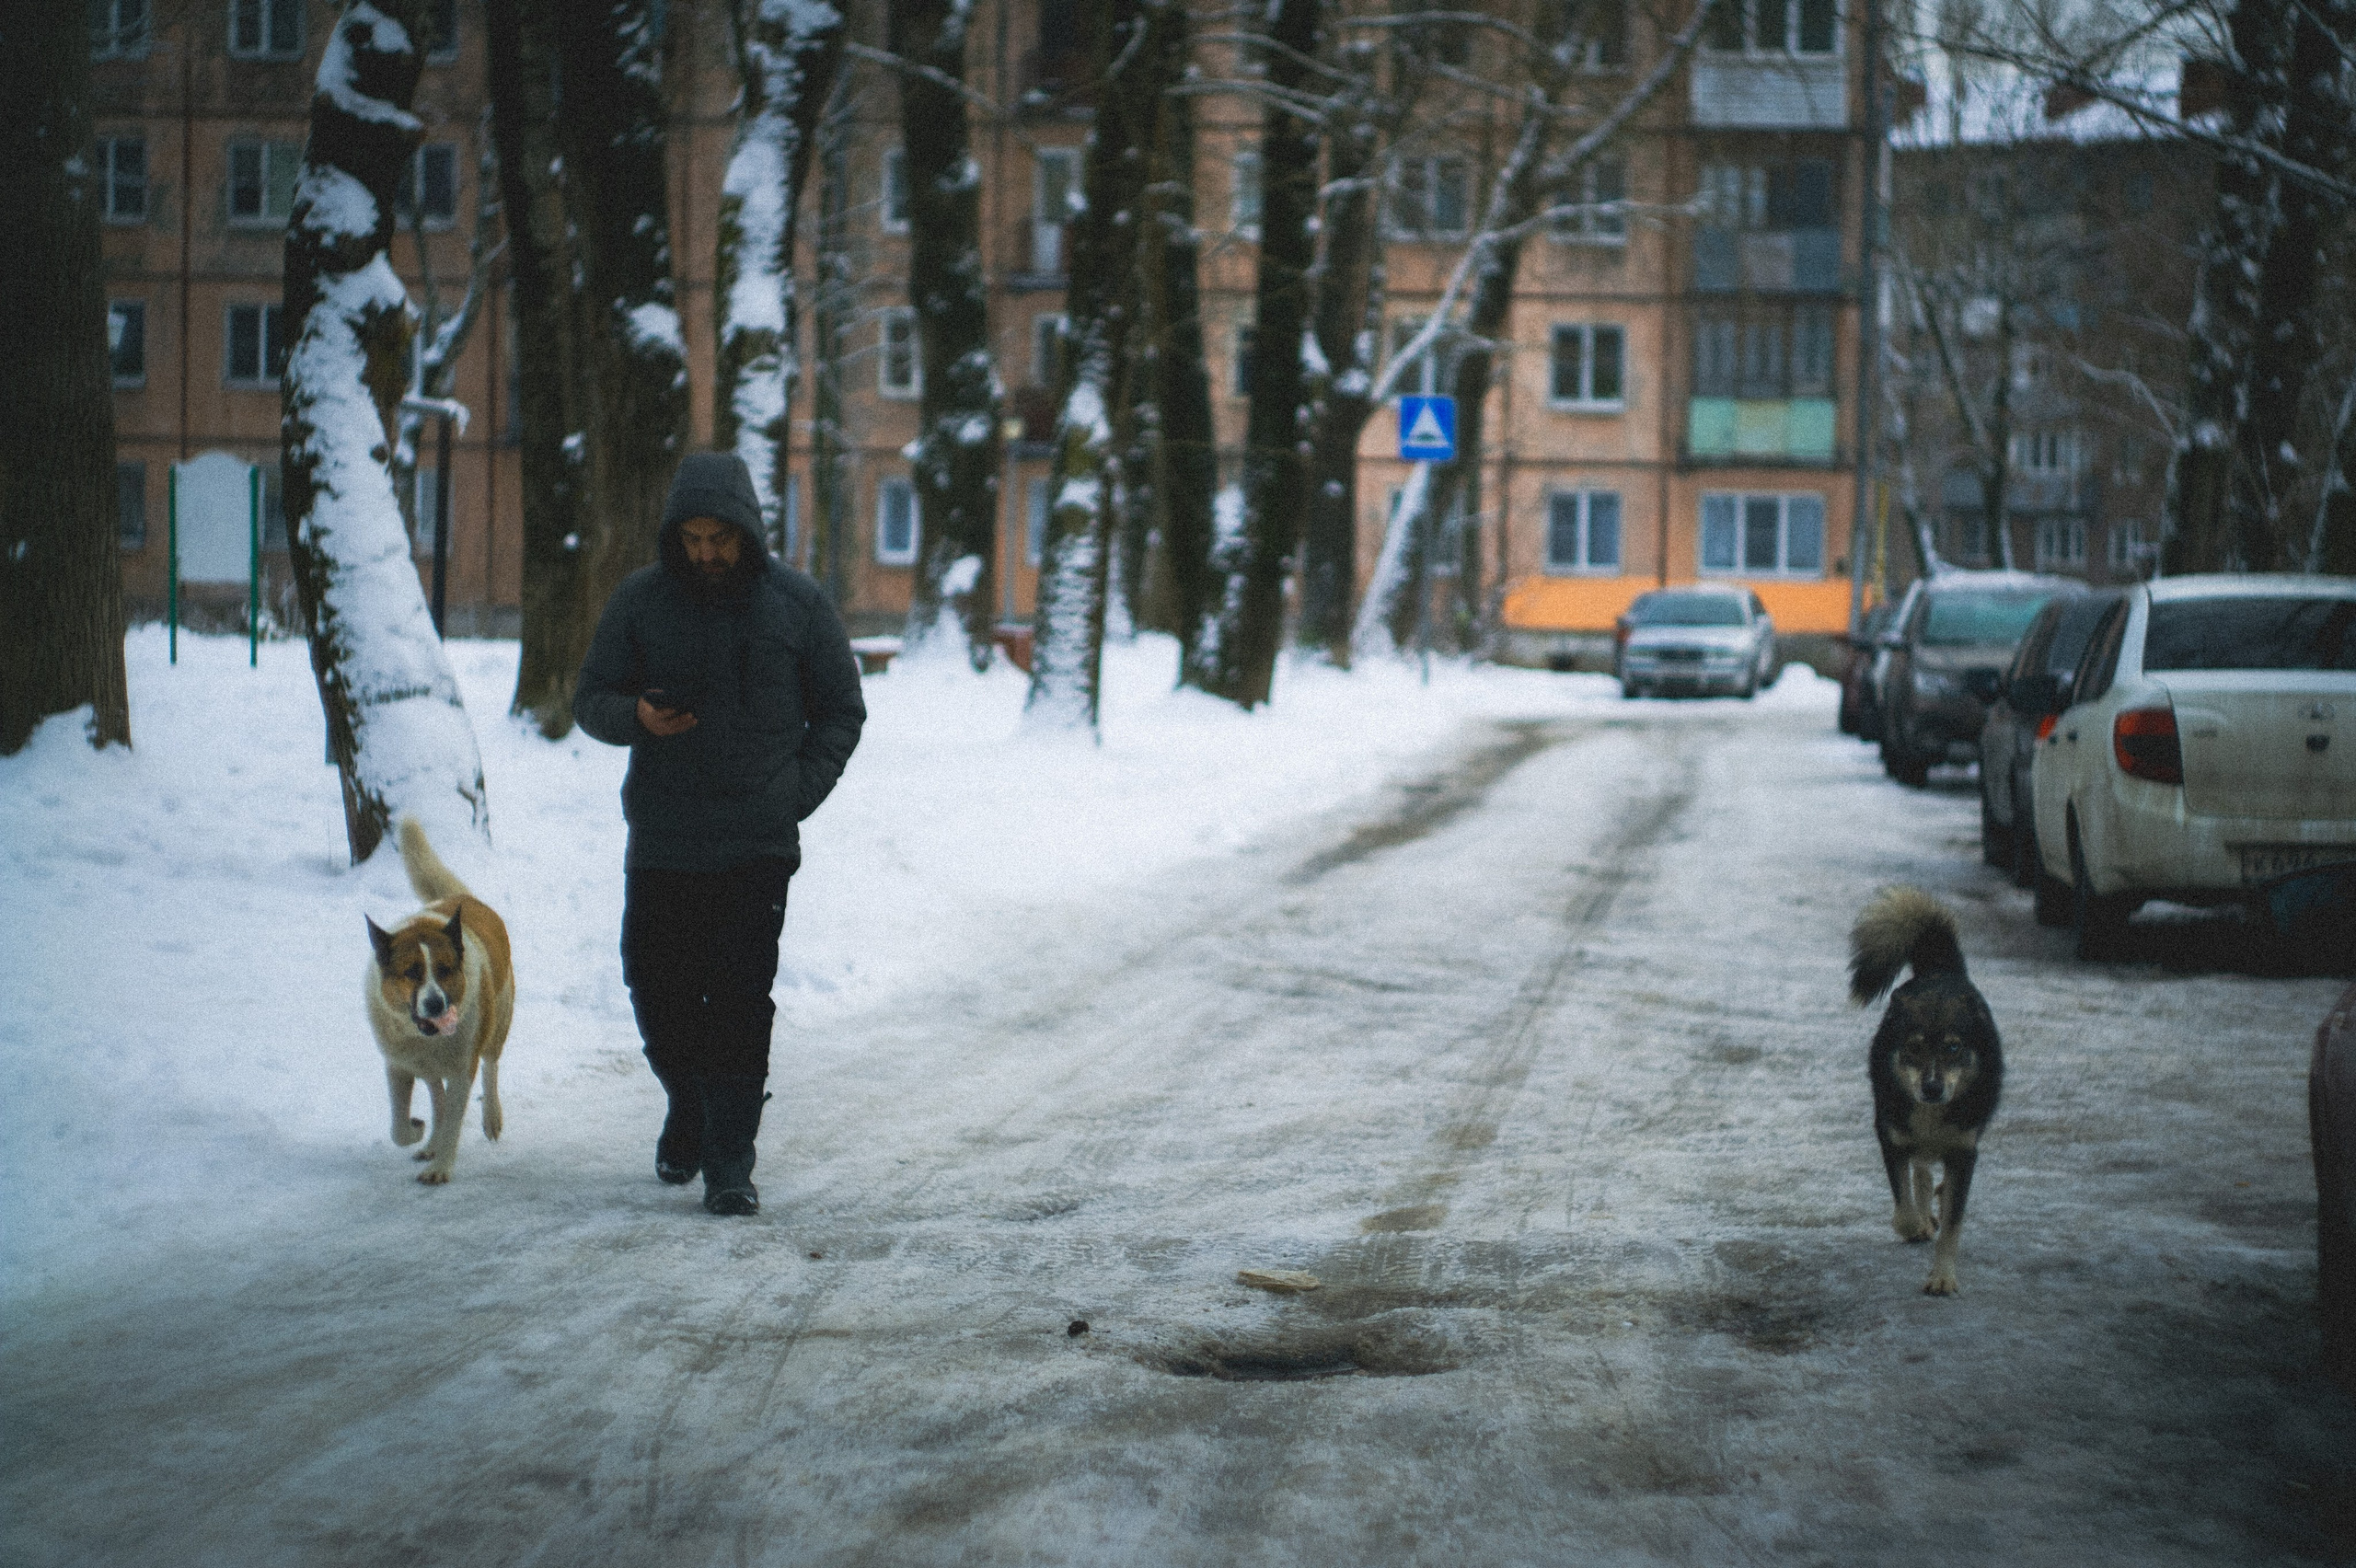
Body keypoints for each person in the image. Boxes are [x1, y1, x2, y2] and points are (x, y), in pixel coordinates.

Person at [573, 453, 865, 1216]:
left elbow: (842, 710)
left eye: (720, 539)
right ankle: (690, 1108)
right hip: (665, 837)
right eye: (694, 540)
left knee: (739, 1000)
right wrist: (635, 716)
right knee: (658, 990)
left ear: (746, 533)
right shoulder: (640, 600)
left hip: (755, 845)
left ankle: (730, 1159)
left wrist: (791, 796)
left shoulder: (797, 606)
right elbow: (590, 697)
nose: (706, 554)